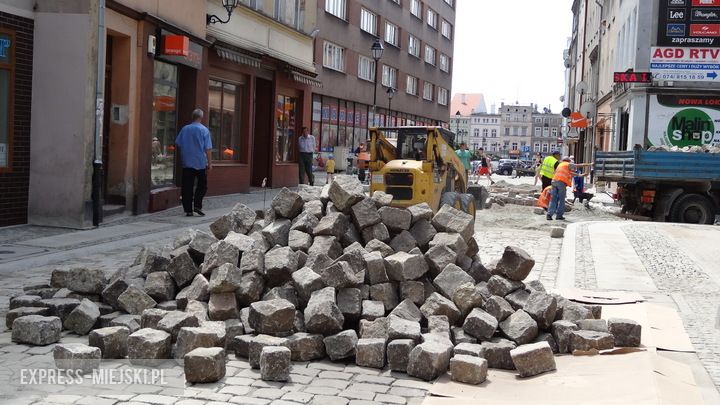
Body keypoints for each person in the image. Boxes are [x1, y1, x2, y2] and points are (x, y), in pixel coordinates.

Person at [175, 108, 212, 217]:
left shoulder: (185, 129)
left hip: (187, 162)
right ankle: (197, 205)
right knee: (202, 185)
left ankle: (188, 210)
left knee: (187, 186)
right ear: (201, 117)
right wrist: (210, 163)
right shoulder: (204, 130)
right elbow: (208, 148)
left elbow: (178, 143)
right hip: (200, 163)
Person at [547, 156, 593, 220]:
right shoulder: (567, 164)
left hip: (554, 182)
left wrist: (580, 175)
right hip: (561, 182)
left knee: (553, 199)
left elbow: (570, 173)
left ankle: (549, 215)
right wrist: (590, 164)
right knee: (561, 199)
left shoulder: (561, 165)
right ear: (568, 161)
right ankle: (559, 215)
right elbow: (579, 165)